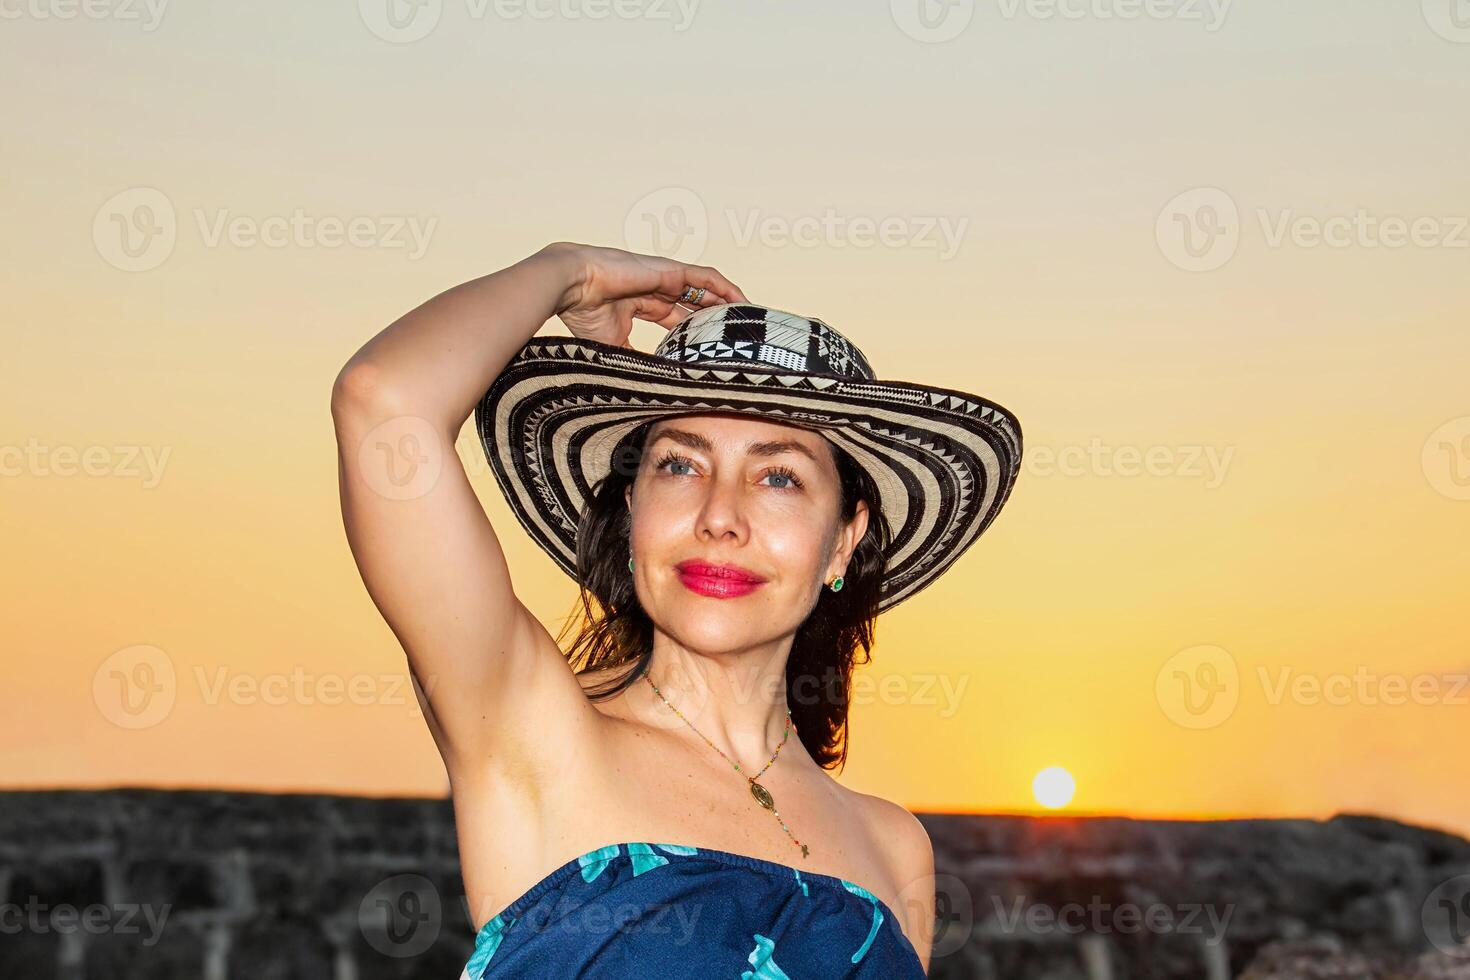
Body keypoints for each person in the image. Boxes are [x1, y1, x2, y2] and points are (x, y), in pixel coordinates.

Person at [331, 242, 1023, 978]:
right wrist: (571, 272)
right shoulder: (536, 736)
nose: (720, 516)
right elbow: (383, 402)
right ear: (631, 512)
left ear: (842, 542)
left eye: (779, 476)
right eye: (680, 465)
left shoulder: (893, 847)